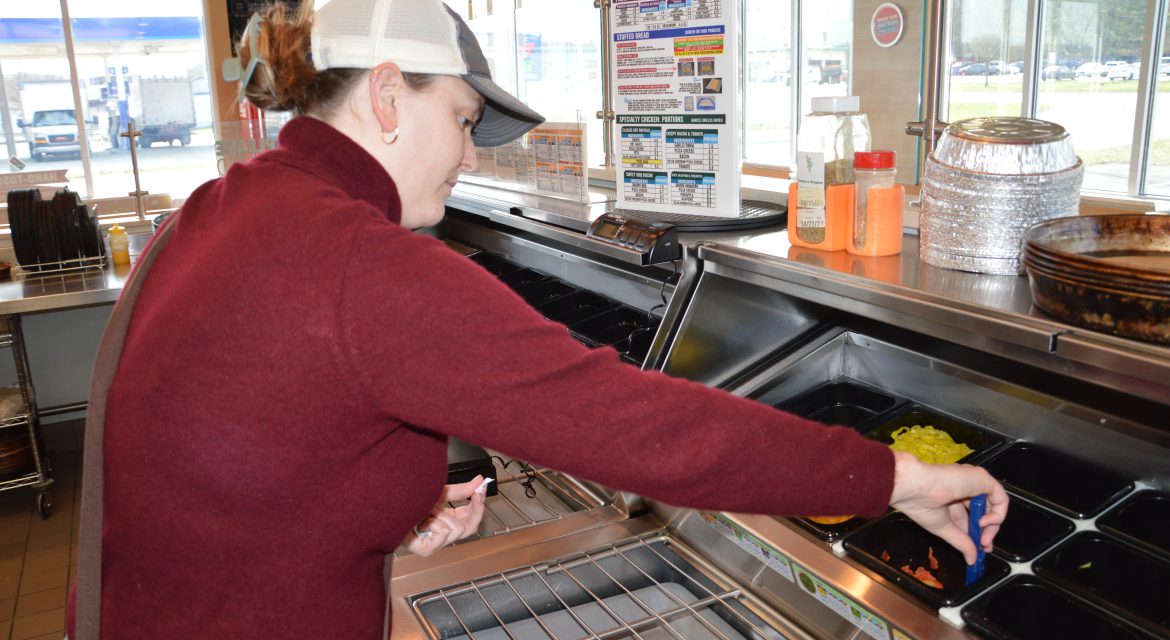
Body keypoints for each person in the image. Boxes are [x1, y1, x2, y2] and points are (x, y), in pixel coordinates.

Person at [69, 0, 1008, 637]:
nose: (469, 158)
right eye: (467, 119)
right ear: (389, 96)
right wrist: (893, 477)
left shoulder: (220, 206)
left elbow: (219, 451)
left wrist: (381, 516)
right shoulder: (363, 261)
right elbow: (639, 426)